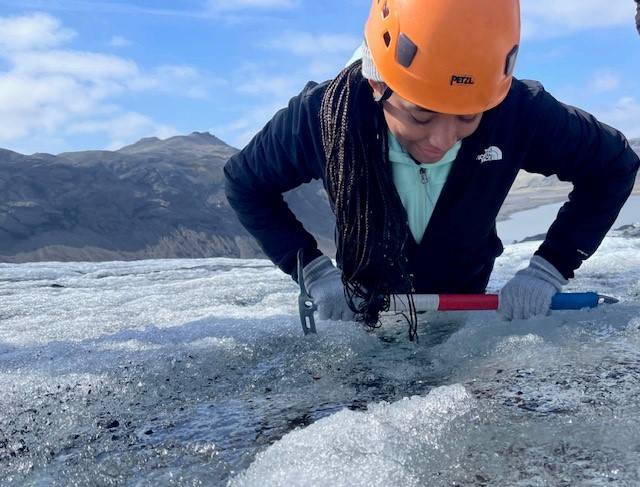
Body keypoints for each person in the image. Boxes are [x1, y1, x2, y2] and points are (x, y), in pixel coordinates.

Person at [224, 0, 639, 336]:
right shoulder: (325, 116)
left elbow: (612, 166)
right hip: (362, 320)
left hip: (464, 316)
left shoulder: (517, 111)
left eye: (468, 119)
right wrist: (313, 271)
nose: (441, 141)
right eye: (420, 116)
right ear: (377, 84)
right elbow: (246, 184)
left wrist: (550, 267)